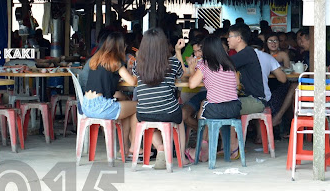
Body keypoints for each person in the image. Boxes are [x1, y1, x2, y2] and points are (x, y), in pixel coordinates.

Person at [133, 28, 186, 169]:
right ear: (164, 45)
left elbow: (133, 78)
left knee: (151, 120)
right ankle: (181, 158)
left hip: (144, 111)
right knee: (179, 121)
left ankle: (160, 146)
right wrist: (178, 52)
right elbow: (184, 74)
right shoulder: (173, 63)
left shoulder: (137, 64)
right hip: (169, 111)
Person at [82, 32, 139, 156]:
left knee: (126, 109)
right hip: (102, 107)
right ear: (120, 47)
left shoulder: (95, 60)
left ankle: (124, 149)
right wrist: (136, 68)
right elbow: (133, 82)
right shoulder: (116, 62)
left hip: (86, 106)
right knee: (137, 106)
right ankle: (134, 146)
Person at [187, 35, 242, 159]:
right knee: (206, 105)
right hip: (234, 108)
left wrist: (191, 70)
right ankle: (224, 146)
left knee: (205, 107)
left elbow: (192, 84)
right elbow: (237, 84)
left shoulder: (205, 65)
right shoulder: (230, 63)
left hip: (217, 109)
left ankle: (203, 146)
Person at [228, 23, 287, 115]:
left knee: (219, 108)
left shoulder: (246, 53)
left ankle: (235, 129)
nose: (228, 39)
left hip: (255, 100)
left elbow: (222, 66)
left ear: (238, 38)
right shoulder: (245, 53)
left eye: (230, 36)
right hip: (253, 98)